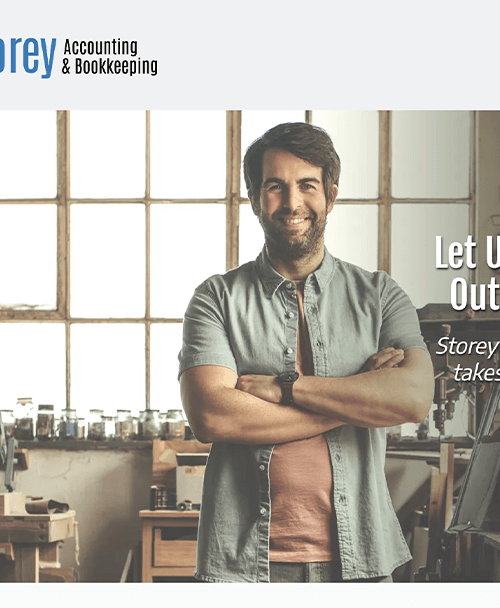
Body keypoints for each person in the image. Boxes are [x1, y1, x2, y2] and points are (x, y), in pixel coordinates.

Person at [178, 122, 435, 583]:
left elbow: (414, 398)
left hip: (362, 561)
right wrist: (357, 398)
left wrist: (286, 389)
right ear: (255, 199)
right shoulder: (216, 298)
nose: (292, 202)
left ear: (330, 196)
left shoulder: (380, 296)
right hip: (244, 567)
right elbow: (212, 417)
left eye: (307, 186)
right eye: (275, 186)